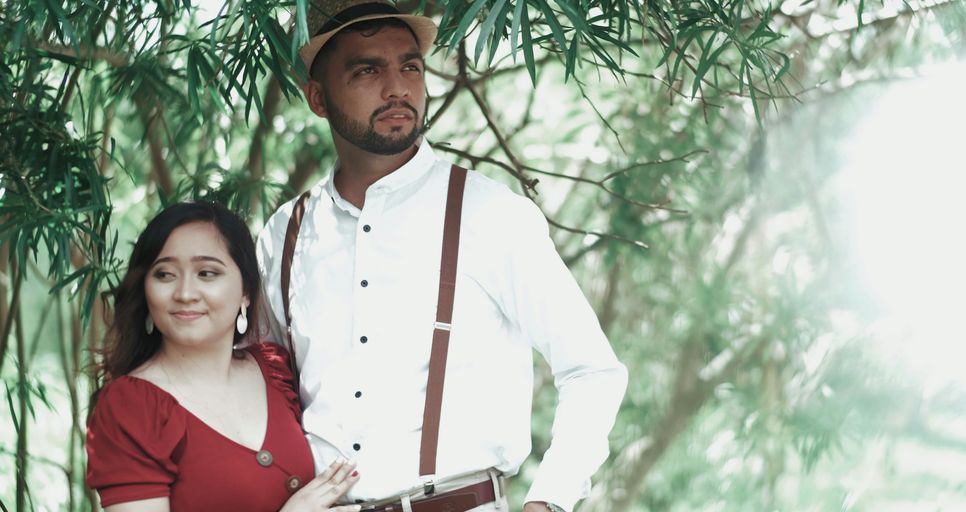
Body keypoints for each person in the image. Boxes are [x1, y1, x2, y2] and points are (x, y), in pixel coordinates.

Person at [256, 1, 629, 511]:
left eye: (410, 66)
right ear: (318, 99)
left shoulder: (492, 214)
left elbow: (591, 371)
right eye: (368, 70)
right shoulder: (285, 235)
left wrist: (550, 500)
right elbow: (258, 392)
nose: (398, 88)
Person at [86, 201, 362, 512]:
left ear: (246, 289)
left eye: (207, 273)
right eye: (164, 274)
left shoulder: (273, 369)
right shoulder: (133, 407)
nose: (185, 293)